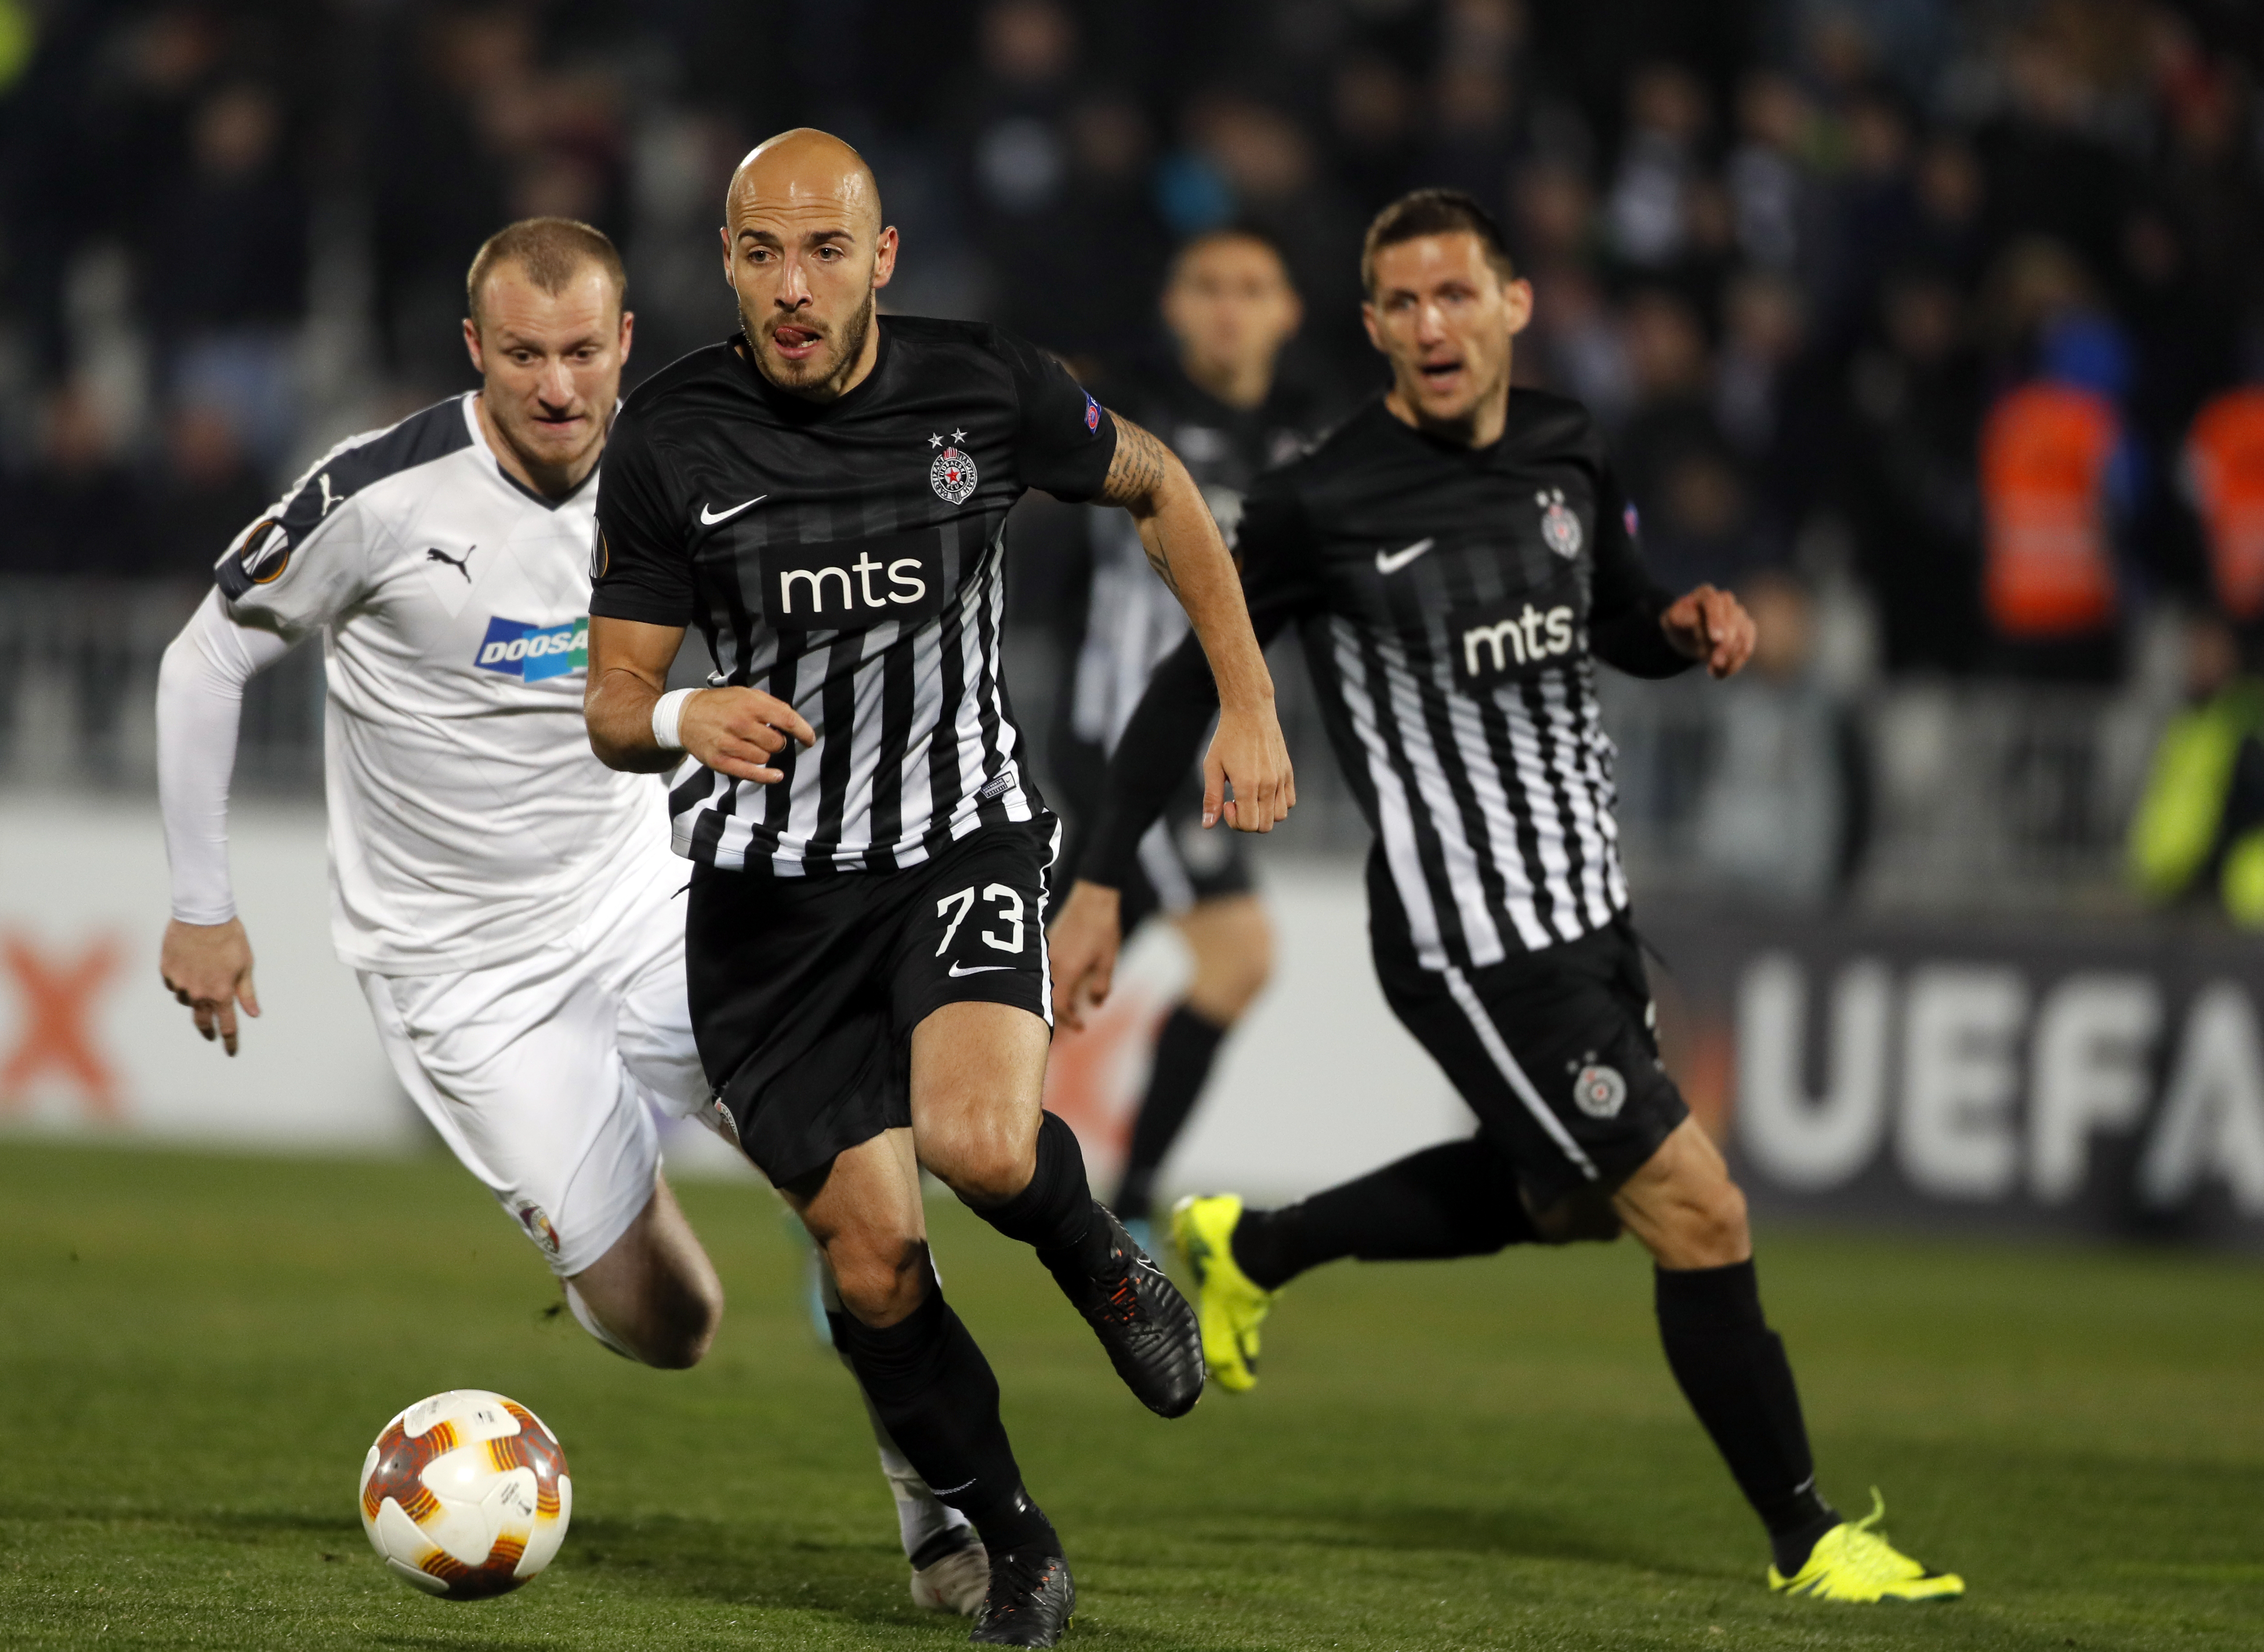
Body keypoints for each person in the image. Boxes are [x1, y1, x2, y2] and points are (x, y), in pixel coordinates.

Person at [1049, 188, 1965, 1607]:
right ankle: (1810, 1535)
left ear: (1514, 304)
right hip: (1466, 935)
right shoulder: (1323, 496)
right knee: (1698, 1210)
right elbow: (1188, 681)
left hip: (1589, 914)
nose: (1434, 326)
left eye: (1457, 296)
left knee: (1570, 1203)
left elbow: (1614, 612)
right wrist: (1101, 876)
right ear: (1371, 329)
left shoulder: (1567, 446)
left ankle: (1254, 1244)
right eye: (1403, 306)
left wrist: (1683, 626)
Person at [153, 217, 992, 1619]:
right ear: (476, 350)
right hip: (463, 979)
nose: (557, 387)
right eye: (527, 355)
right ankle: (623, 1193)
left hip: (649, 904)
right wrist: (200, 906)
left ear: (625, 348)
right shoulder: (381, 494)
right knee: (674, 1327)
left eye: (584, 353)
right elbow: (204, 658)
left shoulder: (688, 465)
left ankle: (945, 1519)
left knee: (869, 1215)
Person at [582, 131, 1292, 1647]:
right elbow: (610, 699)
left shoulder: (984, 386)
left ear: (881, 259)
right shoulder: (669, 439)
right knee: (873, 1258)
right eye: (761, 250)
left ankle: (1100, 1256)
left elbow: (1161, 486)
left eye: (825, 249)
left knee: (980, 1140)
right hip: (767, 901)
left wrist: (1247, 700)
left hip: (956, 840)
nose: (793, 283)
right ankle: (1012, 1535)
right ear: (724, 259)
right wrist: (679, 716)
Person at [1055, 226, 1327, 1240]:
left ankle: (854, 1165)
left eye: (1252, 288)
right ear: (1174, 306)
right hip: (1129, 747)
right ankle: (1130, 1213)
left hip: (1190, 751)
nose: (1229, 307)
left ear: (1287, 312)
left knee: (1028, 992)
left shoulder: (1308, 440)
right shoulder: (1123, 414)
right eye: (1208, 286)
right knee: (1239, 953)